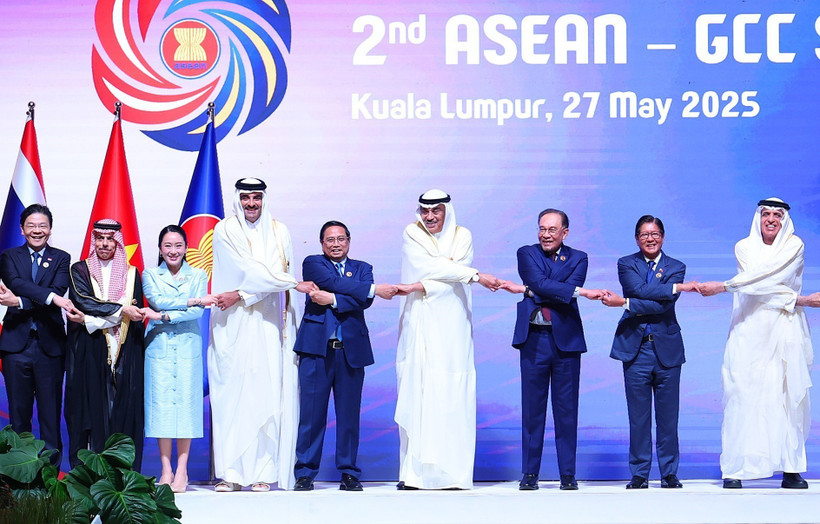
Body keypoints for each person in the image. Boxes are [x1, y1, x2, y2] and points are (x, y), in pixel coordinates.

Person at [208, 178, 316, 492]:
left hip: (270, 323)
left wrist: (243, 293)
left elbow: (270, 275)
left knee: (267, 392)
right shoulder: (224, 230)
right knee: (233, 395)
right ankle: (230, 473)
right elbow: (254, 271)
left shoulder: (279, 231)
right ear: (238, 200)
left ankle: (263, 472)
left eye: (256, 198)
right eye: (246, 198)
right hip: (233, 324)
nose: (251, 204)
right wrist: (290, 282)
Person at [698, 198, 812, 489]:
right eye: (766, 214)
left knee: (787, 396)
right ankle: (735, 469)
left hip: (784, 329)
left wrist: (725, 286)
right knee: (741, 394)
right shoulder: (743, 247)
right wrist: (797, 299)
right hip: (749, 329)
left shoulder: (794, 245)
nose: (771, 220)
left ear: (784, 219)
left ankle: (791, 469)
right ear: (758, 218)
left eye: (777, 215)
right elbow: (755, 284)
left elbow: (770, 278)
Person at [394, 189, 500, 490]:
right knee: (419, 390)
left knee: (451, 392)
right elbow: (432, 268)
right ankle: (414, 475)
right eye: (425, 212)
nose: (430, 217)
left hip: (453, 325)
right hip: (418, 323)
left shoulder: (462, 235)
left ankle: (452, 474)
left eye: (436, 211)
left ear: (446, 211)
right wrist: (474, 275)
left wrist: (422, 284)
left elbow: (440, 274)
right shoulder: (411, 233)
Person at [499, 208, 603, 491]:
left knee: (566, 410)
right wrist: (543, 288)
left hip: (566, 342)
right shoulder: (526, 253)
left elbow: (548, 287)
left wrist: (530, 291)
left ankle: (567, 474)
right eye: (542, 229)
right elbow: (542, 283)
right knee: (532, 410)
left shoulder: (579, 257)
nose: (545, 235)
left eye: (552, 230)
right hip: (533, 339)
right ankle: (530, 474)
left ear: (565, 233)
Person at [292, 221, 397, 492]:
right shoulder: (313, 263)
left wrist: (334, 300)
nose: (335, 244)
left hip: (350, 352)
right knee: (311, 415)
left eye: (341, 239)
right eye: (330, 240)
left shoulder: (364, 268)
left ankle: (349, 472)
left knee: (349, 416)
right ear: (322, 243)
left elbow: (362, 302)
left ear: (349, 241)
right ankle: (305, 472)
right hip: (316, 351)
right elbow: (331, 283)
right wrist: (370, 289)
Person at [601, 215, 698, 489]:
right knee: (639, 416)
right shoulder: (626, 263)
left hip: (667, 350)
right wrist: (674, 288)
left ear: (663, 237)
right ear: (636, 239)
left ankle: (669, 473)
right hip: (635, 349)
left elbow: (663, 306)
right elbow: (638, 289)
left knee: (668, 417)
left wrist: (625, 303)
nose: (650, 238)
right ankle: (640, 473)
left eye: (655, 233)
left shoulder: (676, 266)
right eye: (644, 234)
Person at [64, 219, 146, 469]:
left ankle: (121, 474)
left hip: (124, 350)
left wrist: (92, 319)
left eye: (110, 239)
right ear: (94, 241)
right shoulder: (79, 270)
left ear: (117, 243)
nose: (105, 244)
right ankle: (87, 476)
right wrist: (122, 310)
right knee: (88, 411)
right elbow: (84, 302)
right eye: (100, 238)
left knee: (122, 410)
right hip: (90, 350)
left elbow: (137, 316)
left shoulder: (132, 274)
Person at [141, 225, 216, 493]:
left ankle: (182, 470)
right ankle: (165, 469)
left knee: (186, 404)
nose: (173, 251)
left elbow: (196, 314)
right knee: (161, 405)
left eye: (178, 246)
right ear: (160, 249)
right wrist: (194, 299)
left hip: (188, 345)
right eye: (167, 246)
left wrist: (163, 316)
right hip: (158, 346)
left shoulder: (199, 273)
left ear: (186, 248)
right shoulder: (149, 273)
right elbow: (157, 299)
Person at [0, 204, 76, 466]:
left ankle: (49, 481)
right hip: (16, 347)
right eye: (31, 226)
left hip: (50, 348)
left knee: (50, 416)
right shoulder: (9, 256)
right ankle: (19, 480)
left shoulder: (62, 258)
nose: (37, 230)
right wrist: (49, 298)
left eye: (42, 225)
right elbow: (15, 283)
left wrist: (19, 302)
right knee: (18, 417)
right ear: (22, 229)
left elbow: (58, 288)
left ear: (50, 229)